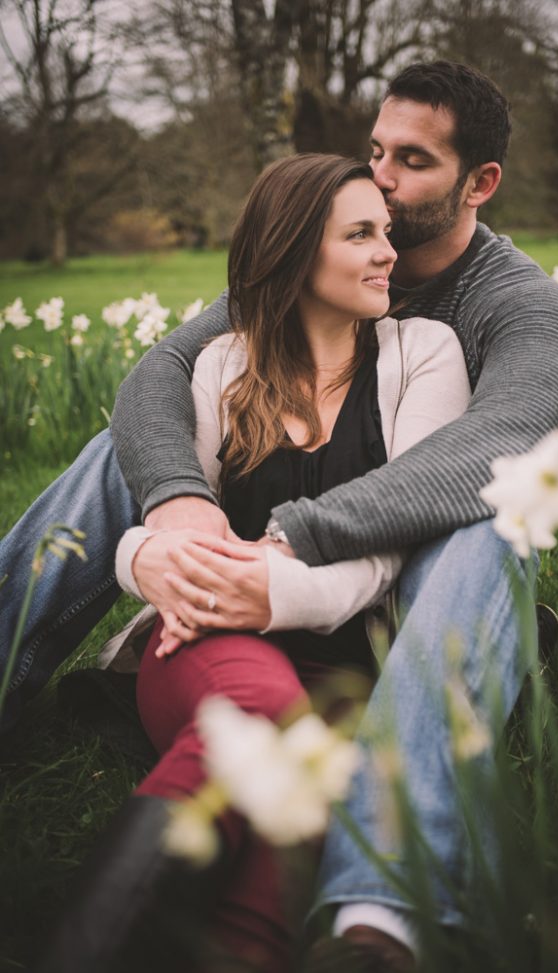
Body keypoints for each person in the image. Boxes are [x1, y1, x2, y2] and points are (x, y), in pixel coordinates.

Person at [0, 61, 558, 970]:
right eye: (376, 151)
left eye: (414, 161)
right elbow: (159, 375)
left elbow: (502, 445)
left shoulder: (511, 306)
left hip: (406, 582)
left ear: (482, 182)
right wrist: (178, 516)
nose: (383, 177)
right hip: (247, 574)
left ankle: (382, 903)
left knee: (489, 522)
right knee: (129, 447)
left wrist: (286, 544)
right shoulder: (293, 279)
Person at [36, 152, 470, 973]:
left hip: (352, 657)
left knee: (305, 777)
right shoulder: (222, 366)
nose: (389, 252)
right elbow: (154, 529)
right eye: (361, 234)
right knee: (264, 713)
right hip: (201, 641)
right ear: (297, 249)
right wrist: (149, 563)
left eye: (385, 231)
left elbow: (391, 543)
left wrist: (261, 588)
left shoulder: (426, 355)